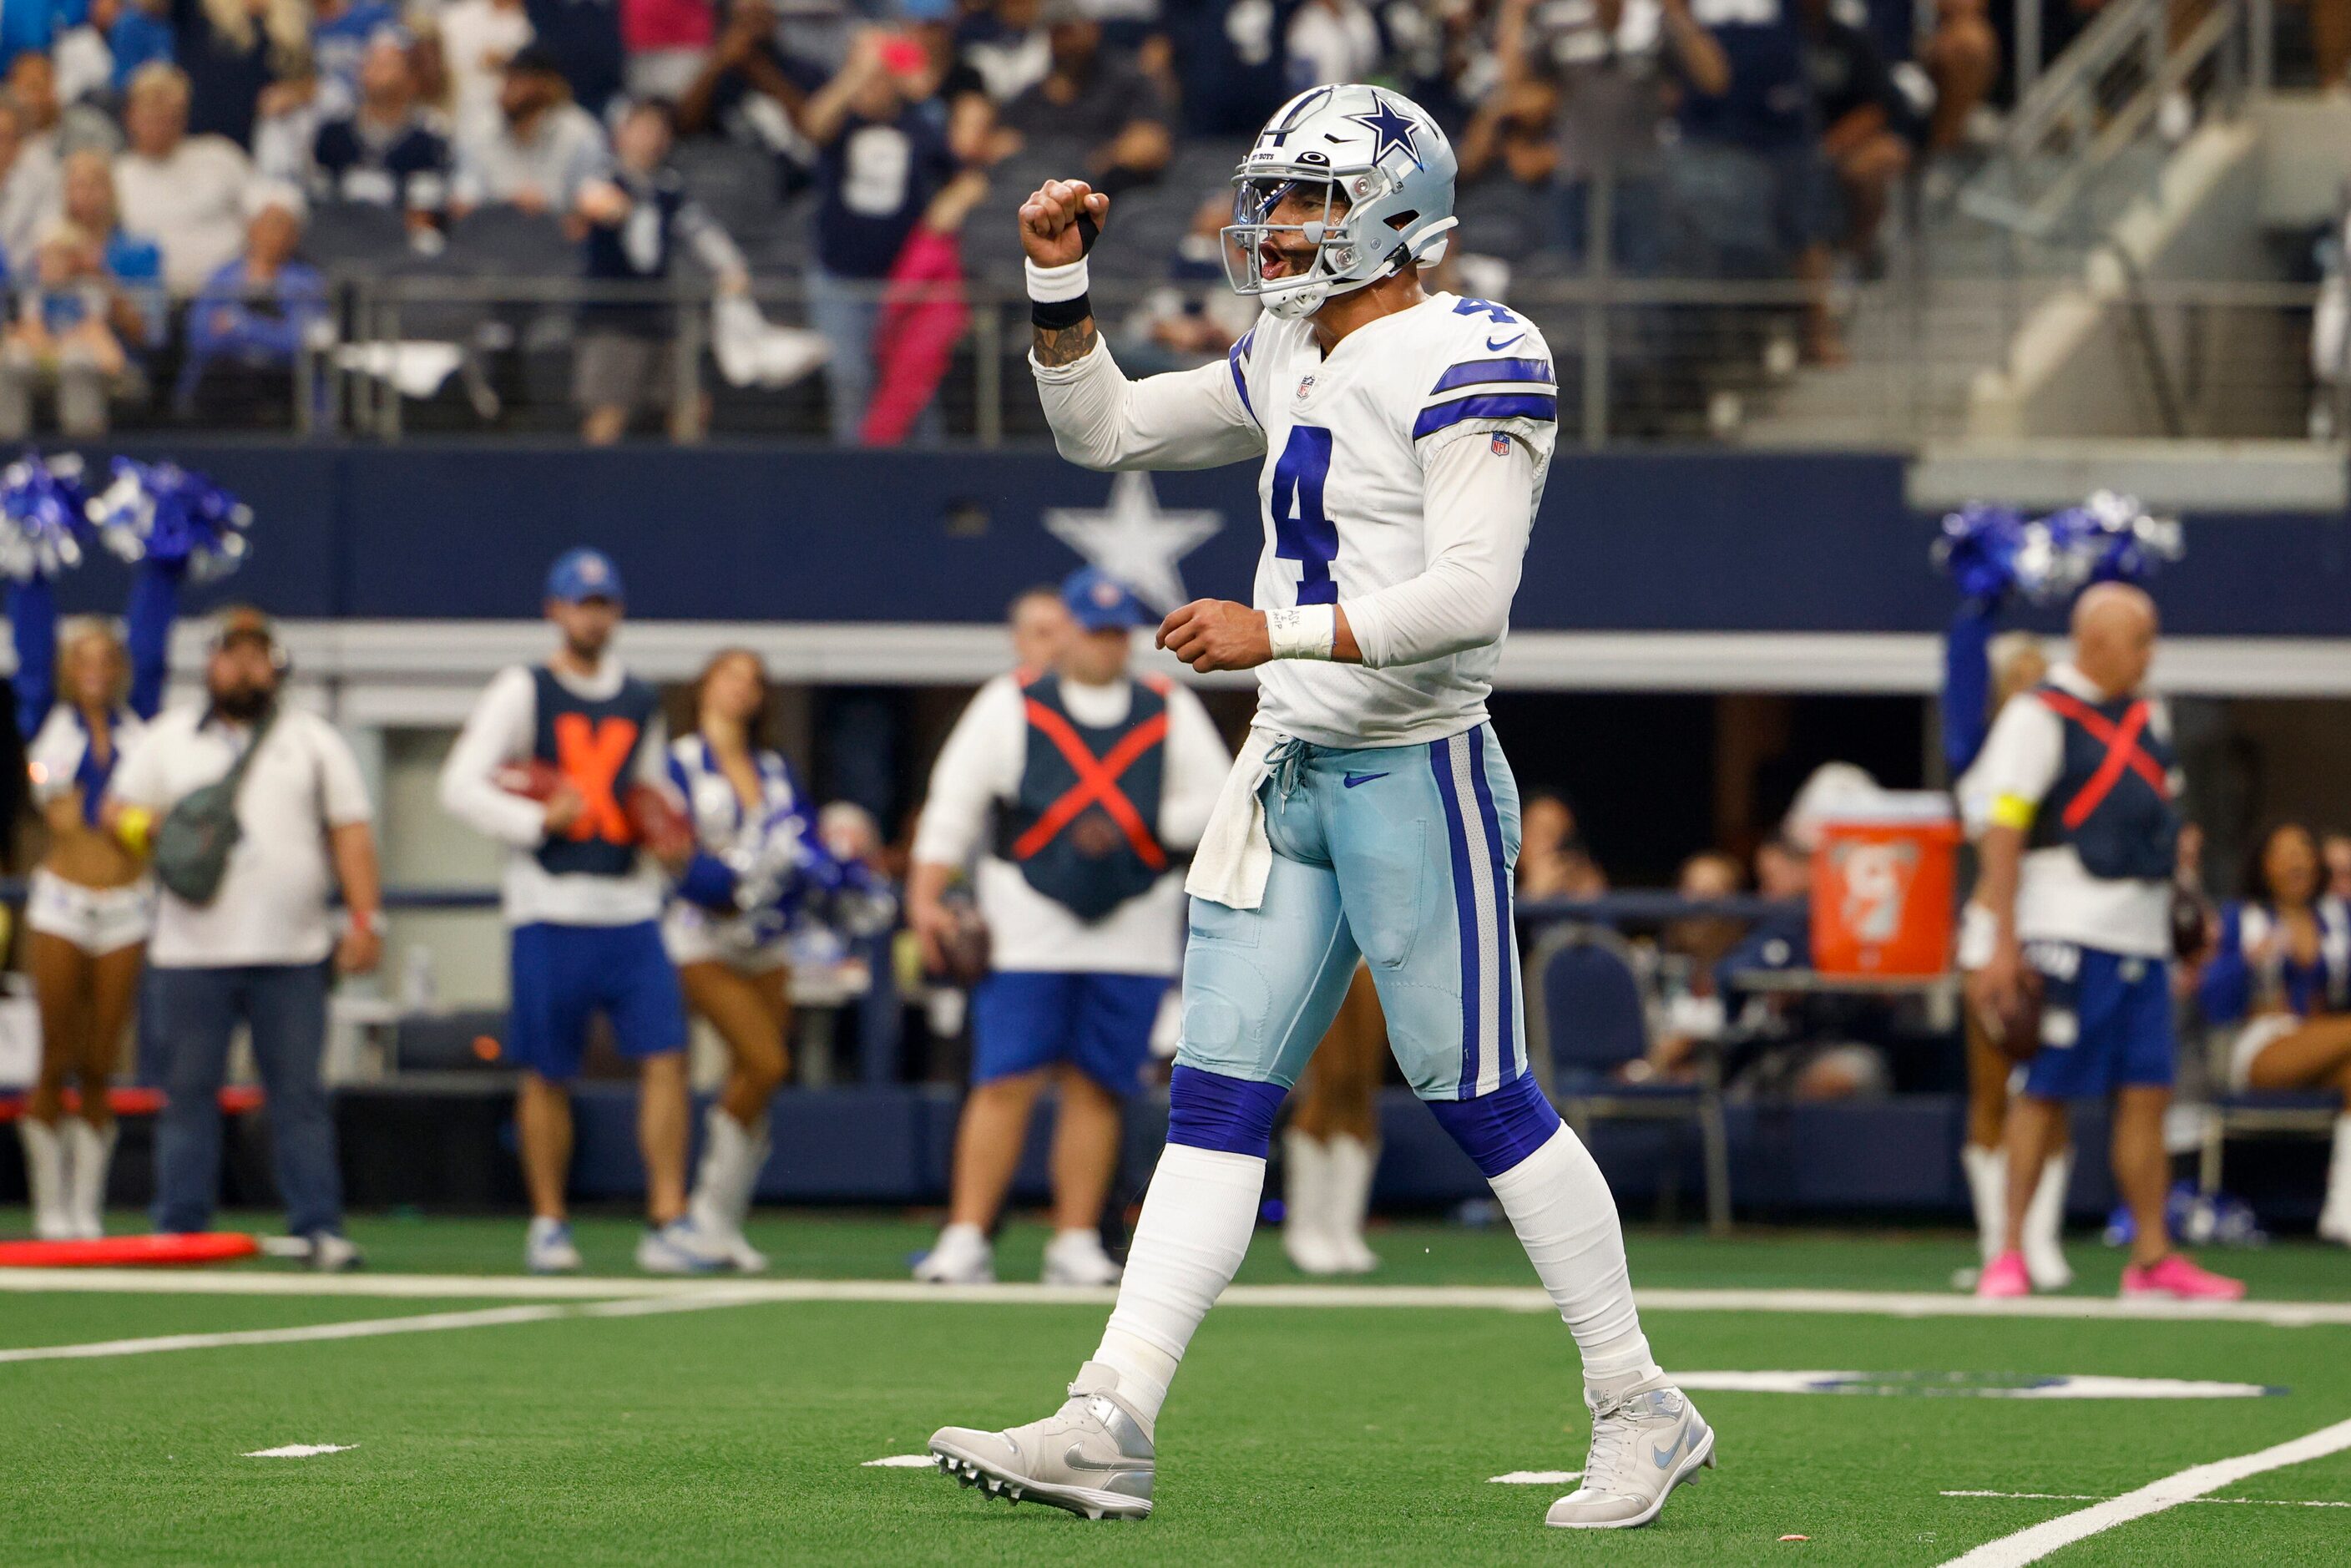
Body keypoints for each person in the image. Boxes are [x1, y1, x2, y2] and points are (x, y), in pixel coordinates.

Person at [927, 84, 1710, 1531]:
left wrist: (1272, 634)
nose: (1277, 226)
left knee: (1479, 1093)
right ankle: (1110, 1414)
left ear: (1401, 216)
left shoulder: (1479, 351)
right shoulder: (1290, 341)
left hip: (1414, 760)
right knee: (1215, 1103)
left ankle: (1638, 1400)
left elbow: (1471, 602)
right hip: (1289, 766)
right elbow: (1104, 432)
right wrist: (1057, 281)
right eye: (1275, 196)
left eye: (1310, 200)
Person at [906, 566, 1229, 1287]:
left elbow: (1216, 802)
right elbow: (953, 802)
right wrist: (925, 893)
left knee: (1098, 1085)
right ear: (1068, 630)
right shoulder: (1010, 701)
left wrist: (1135, 823)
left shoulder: (1166, 705)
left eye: (1118, 633)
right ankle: (966, 1234)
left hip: (1132, 924)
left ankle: (1075, 1237)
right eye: (1093, 630)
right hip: (1025, 921)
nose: (1105, 646)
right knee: (1005, 1079)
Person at [1966, 583, 2243, 1302]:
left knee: (2148, 1093)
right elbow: (2003, 829)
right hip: (2065, 931)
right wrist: (2004, 942)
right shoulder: (2036, 715)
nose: (2151, 655)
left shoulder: (2151, 715)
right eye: (2139, 640)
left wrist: (2190, 911)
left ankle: (2152, 1258)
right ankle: (2009, 1253)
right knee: (2044, 1092)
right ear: (2093, 642)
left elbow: (2164, 825)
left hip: (2143, 938)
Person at [437, 548, 705, 1275]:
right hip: (549, 905)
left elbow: (646, 788)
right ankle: (550, 1222)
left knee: (666, 1058)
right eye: (580, 603)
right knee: (547, 1069)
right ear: (556, 610)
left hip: (629, 903)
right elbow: (459, 785)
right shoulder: (523, 688)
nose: (593, 615)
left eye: (604, 603)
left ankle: (667, 1217)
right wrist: (535, 818)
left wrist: (670, 829)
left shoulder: (640, 698)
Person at [104, 609, 382, 1268]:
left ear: (276, 665)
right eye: (232, 654)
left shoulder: (312, 740)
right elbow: (116, 813)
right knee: (188, 1095)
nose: (244, 667)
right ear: (211, 664)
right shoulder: (167, 738)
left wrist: (368, 920)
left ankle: (317, 1224)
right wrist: (157, 833)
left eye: (257, 655)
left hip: (292, 952)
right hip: (190, 953)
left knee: (298, 1097)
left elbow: (351, 832)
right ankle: (180, 1225)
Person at [663, 646, 884, 1270]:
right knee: (766, 1060)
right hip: (702, 934)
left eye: (753, 680)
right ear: (704, 683)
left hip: (770, 942)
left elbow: (805, 844)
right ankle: (703, 1213)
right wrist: (727, 883)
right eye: (730, 675)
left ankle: (722, 1223)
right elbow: (672, 847)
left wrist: (842, 880)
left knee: (756, 1076)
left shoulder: (774, 768)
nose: (742, 689)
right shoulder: (676, 761)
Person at [8, 552, 177, 1241]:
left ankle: (89, 1205)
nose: (97, 671)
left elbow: (154, 817)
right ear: (67, 668)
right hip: (62, 903)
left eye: (108, 659)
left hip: (126, 905)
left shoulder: (145, 730)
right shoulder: (48, 724)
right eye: (84, 660)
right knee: (56, 1050)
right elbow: (46, 788)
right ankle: (49, 1202)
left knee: (103, 1058)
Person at [1953, 630, 2072, 1288]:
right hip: (1990, 930)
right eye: (2017, 676)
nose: (2030, 685)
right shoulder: (1981, 758)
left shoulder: (2066, 752)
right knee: (1992, 1090)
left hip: (2057, 928)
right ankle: (1999, 1242)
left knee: (2053, 1088)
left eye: (2040, 674)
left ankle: (2042, 1239)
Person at [802, 27, 958, 443]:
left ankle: (921, 488)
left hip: (903, 286)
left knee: (914, 391)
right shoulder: (841, 124)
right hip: (841, 279)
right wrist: (859, 69)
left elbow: (964, 173)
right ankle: (856, 488)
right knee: (851, 385)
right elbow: (813, 122)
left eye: (878, 73)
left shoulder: (918, 123)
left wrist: (951, 205)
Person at [2198, 822, 2351, 1245]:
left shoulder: (2337, 918)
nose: (2296, 859)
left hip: (2321, 1041)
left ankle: (2343, 1211)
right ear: (2263, 867)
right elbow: (2211, 1000)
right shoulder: (2241, 917)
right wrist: (2247, 960)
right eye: (2282, 853)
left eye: (2303, 849)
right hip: (2259, 1045)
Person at [571, 96, 746, 445]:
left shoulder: (669, 189)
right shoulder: (604, 177)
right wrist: (618, 209)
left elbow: (701, 231)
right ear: (621, 133)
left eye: (659, 128)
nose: (652, 135)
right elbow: (592, 202)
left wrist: (731, 267)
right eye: (643, 126)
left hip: (661, 316)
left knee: (690, 406)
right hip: (614, 319)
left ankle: (686, 487)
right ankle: (591, 490)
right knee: (609, 411)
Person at [176, 185, 323, 420]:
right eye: (269, 224)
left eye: (286, 227)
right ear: (251, 228)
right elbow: (201, 338)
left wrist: (241, 325)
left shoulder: (308, 283)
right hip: (223, 388)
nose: (277, 234)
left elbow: (301, 342)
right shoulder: (221, 277)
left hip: (284, 387)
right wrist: (270, 332)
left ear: (296, 236)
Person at [993, 3, 1170, 197]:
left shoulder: (1127, 82)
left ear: (1094, 29)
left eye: (1071, 31)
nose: (1065, 42)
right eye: (1057, 32)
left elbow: (1149, 143)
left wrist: (1092, 165)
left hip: (1108, 195)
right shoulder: (1032, 96)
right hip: (1041, 193)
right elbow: (1000, 146)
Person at [112, 62, 253, 292]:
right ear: (130, 116)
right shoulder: (116, 175)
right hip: (150, 303)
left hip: (230, 296)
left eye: (170, 114)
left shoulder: (221, 156)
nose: (161, 122)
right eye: (151, 111)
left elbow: (264, 214)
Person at [1281, 964, 1384, 1273]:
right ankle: (1305, 1227)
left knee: (1362, 1085)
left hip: (1376, 958)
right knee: (1328, 1082)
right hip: (1323, 955)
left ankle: (1342, 1228)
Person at [0, 219, 141, 437]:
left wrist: (67, 345)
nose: (49, 263)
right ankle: (9, 445)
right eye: (45, 257)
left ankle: (82, 444)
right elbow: (32, 332)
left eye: (59, 256)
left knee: (77, 359)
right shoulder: (34, 292)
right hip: (44, 361)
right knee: (14, 360)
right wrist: (48, 347)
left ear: (74, 260)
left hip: (81, 363)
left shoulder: (89, 291)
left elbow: (98, 340)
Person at [448, 45, 609, 219]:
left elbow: (594, 194)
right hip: (493, 235)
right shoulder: (479, 129)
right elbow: (463, 196)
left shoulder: (579, 132)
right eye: (507, 77)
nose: (507, 87)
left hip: (555, 237)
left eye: (518, 78)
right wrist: (507, 203)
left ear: (546, 85)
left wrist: (554, 207)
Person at [310, 33, 452, 228]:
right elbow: (320, 202)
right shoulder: (333, 133)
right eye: (371, 62)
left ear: (411, 79)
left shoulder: (427, 139)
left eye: (387, 65)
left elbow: (422, 216)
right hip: (341, 240)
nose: (375, 70)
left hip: (399, 246)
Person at [1006, 581, 1074, 677]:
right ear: (1019, 641)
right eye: (1044, 634)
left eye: (1065, 633)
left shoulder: (1092, 690)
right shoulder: (1005, 692)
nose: (1058, 644)